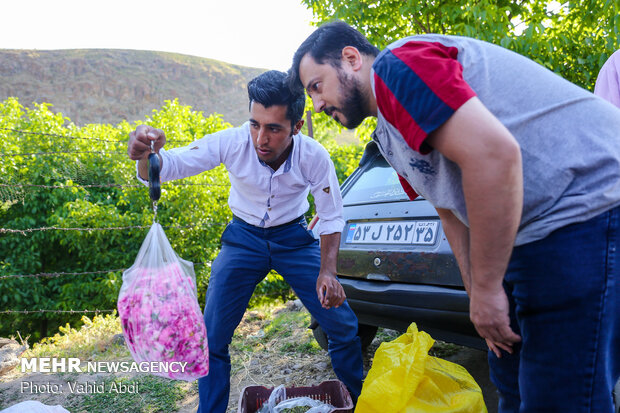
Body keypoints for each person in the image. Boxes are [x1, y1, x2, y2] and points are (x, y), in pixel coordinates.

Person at [288, 21, 620, 413]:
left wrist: (488, 287)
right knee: (509, 379)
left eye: (316, 86)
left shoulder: (399, 66)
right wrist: (478, 294)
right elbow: (448, 208)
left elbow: (495, 155)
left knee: (561, 396)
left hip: (586, 210)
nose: (317, 105)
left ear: (351, 58)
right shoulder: (389, 136)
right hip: (530, 234)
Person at [127, 70, 363, 413]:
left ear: (296, 127)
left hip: (294, 239)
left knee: (343, 326)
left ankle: (358, 403)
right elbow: (168, 166)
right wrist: (145, 156)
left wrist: (328, 272)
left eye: (273, 128)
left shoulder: (314, 156)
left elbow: (330, 215)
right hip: (243, 240)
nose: (260, 138)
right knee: (212, 337)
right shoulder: (232, 141)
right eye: (255, 124)